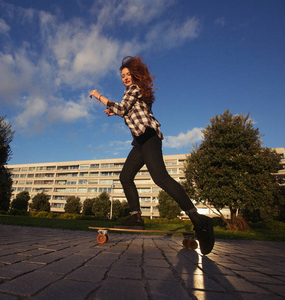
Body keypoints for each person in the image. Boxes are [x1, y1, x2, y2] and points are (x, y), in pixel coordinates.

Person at [89, 56, 214, 254]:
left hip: (148, 137)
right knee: (125, 176)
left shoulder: (135, 89)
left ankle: (198, 219)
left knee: (161, 178)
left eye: (128, 75)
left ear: (135, 75)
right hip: (140, 141)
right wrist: (114, 112)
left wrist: (99, 96)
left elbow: (123, 109)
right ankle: (136, 217)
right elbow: (131, 111)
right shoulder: (137, 93)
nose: (125, 78)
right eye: (123, 76)